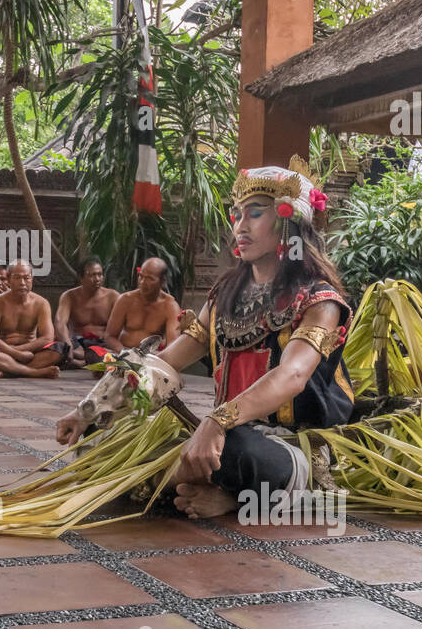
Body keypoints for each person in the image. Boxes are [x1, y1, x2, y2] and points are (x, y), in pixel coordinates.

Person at [56, 157, 355, 520]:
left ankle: (171, 483)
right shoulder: (225, 295)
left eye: (255, 214)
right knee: (101, 431)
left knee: (240, 452)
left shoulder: (320, 301)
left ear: (289, 225)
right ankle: (213, 488)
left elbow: (291, 376)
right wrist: (89, 409)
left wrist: (217, 421)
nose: (240, 227)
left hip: (293, 446)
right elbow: (164, 362)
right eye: (237, 214)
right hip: (224, 433)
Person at [0, 260, 65, 378]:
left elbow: (47, 338)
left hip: (30, 354)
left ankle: (9, 371)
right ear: (9, 279)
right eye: (17, 278)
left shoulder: (41, 303)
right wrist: (15, 353)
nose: (22, 283)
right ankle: (33, 372)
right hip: (3, 353)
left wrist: (18, 351)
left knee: (59, 349)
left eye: (26, 278)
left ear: (32, 278)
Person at [103, 257, 181, 352]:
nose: (142, 282)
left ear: (162, 281)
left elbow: (173, 345)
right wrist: (125, 353)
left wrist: (156, 358)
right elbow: (110, 336)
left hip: (152, 357)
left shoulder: (170, 306)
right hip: (121, 353)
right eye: (141, 276)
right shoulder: (125, 299)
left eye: (150, 279)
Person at [54, 256, 119, 368]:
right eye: (92, 275)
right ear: (81, 278)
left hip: (102, 344)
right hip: (77, 344)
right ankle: (81, 358)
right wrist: (68, 345)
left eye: (100, 274)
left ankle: (82, 361)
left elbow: (122, 326)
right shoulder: (69, 296)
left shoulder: (112, 296)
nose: (97, 279)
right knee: (57, 349)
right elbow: (59, 323)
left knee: (101, 353)